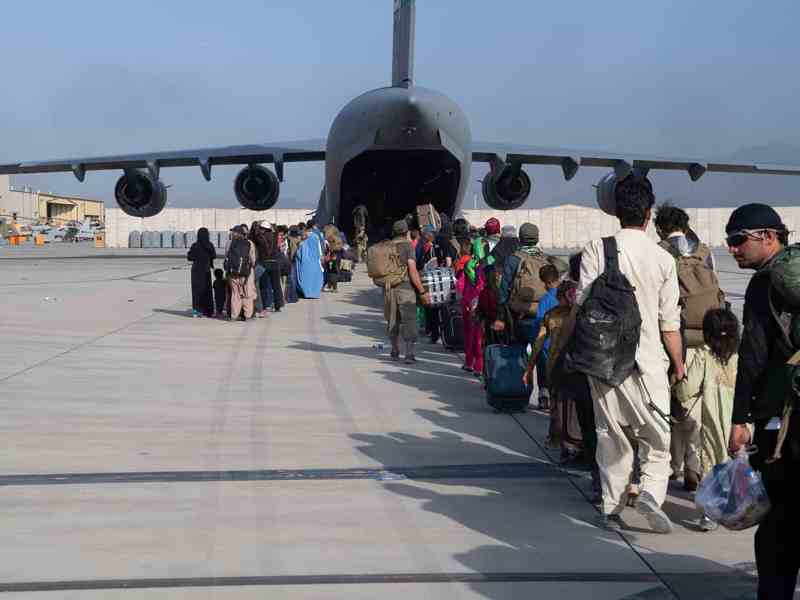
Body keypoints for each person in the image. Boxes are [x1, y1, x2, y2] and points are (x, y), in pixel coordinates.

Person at [568, 174, 684, 534]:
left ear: (616, 212)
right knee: (658, 438)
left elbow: (581, 302)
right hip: (647, 362)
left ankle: (611, 508)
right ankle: (650, 492)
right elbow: (669, 323)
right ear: (649, 213)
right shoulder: (663, 258)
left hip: (603, 359)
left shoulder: (597, 248)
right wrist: (679, 364)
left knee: (610, 435)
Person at [725, 204, 797, 598]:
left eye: (738, 240)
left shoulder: (764, 285)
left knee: (778, 527)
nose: (732, 249)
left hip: (782, 425)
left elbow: (752, 357)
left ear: (769, 236)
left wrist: (739, 419)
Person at [674, 308, 740, 531]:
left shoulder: (704, 355)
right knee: (737, 465)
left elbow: (687, 390)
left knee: (712, 465)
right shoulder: (741, 357)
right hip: (740, 423)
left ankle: (710, 516)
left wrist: (678, 386)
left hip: (713, 423)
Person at [524, 279, 580, 454]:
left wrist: (529, 367)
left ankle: (556, 437)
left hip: (554, 364)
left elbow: (538, 344)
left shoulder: (551, 315)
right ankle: (574, 439)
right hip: (575, 365)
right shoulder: (580, 315)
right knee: (573, 404)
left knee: (556, 403)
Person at [384, 220, 428, 364]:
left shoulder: (387, 246)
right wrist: (422, 291)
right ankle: (409, 354)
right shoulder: (408, 246)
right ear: (406, 232)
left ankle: (394, 350)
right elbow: (413, 270)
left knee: (392, 320)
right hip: (405, 287)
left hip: (389, 288)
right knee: (409, 320)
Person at [529, 263, 561, 410]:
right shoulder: (567, 295)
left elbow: (540, 323)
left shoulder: (546, 300)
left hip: (547, 344)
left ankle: (544, 396)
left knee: (543, 369)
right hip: (563, 343)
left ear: (546, 283)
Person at [457, 237, 489, 376]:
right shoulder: (490, 263)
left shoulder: (469, 264)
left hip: (469, 302)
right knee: (481, 336)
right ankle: (479, 366)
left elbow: (460, 285)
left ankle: (469, 362)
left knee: (469, 334)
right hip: (485, 302)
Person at [226, 225, 257, 321]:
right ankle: (247, 315)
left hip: (233, 273)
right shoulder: (250, 243)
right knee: (247, 294)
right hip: (247, 273)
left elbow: (227, 257)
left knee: (235, 294)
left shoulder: (230, 243)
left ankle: (234, 315)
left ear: (236, 233)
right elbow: (253, 259)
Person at [187, 227, 216, 318]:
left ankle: (197, 311)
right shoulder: (209, 245)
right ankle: (208, 311)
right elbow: (214, 256)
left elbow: (189, 257)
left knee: (196, 291)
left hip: (196, 271)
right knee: (207, 291)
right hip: (206, 271)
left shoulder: (195, 245)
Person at [295, 229, 324, 299]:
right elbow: (319, 253)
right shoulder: (315, 241)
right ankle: (315, 293)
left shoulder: (303, 244)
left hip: (305, 266)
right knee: (315, 279)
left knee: (306, 280)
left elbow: (298, 255)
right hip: (315, 265)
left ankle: (307, 293)